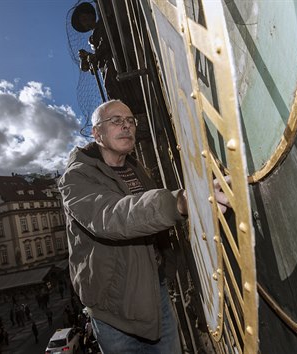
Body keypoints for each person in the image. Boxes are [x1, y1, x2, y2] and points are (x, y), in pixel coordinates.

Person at [58, 100, 229, 354]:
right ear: (97, 133)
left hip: (155, 291)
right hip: (113, 311)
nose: (126, 126)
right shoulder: (76, 177)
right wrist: (179, 202)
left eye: (130, 121)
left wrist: (167, 268)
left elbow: (155, 230)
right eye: (116, 121)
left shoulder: (137, 170)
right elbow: (112, 216)